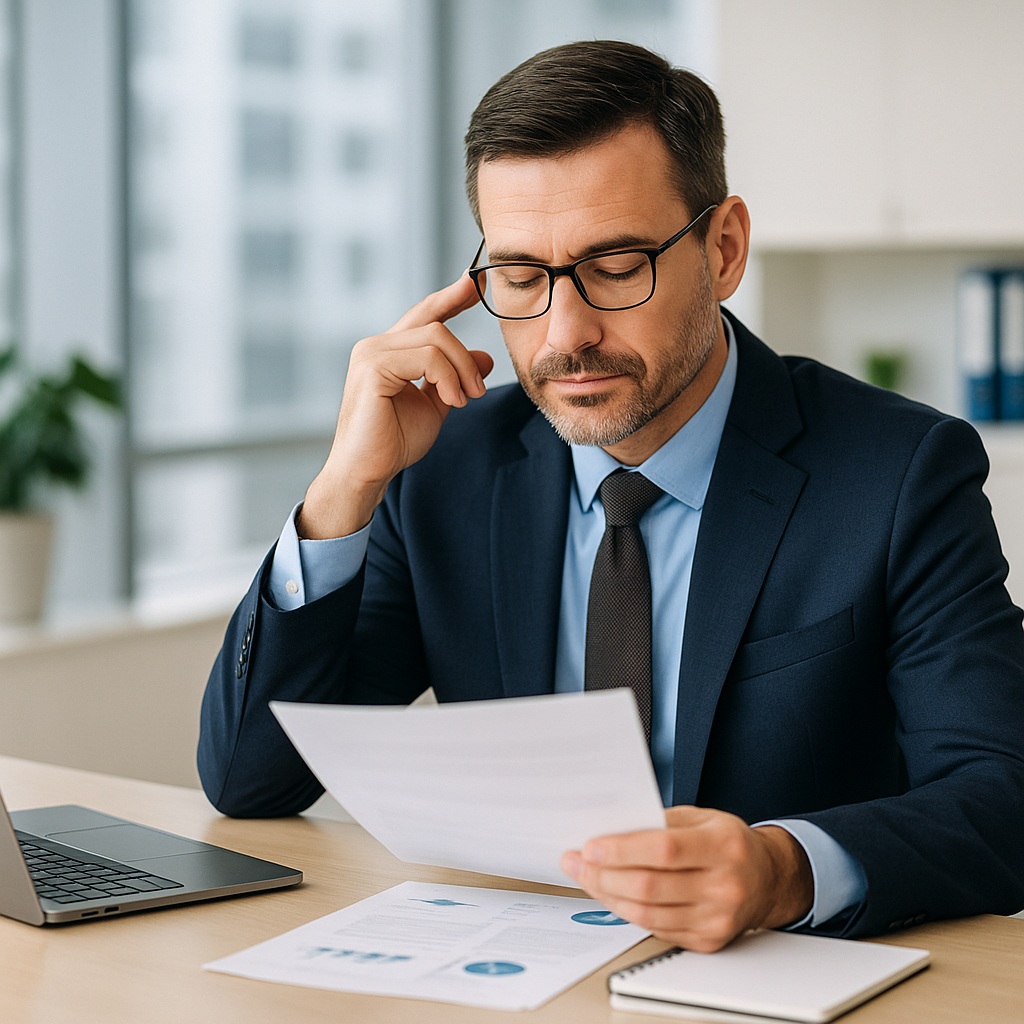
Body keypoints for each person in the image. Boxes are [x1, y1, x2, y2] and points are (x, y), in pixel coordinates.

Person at [198, 40, 1024, 952]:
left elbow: (999, 794)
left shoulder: (900, 472)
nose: (567, 333)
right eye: (521, 277)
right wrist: (343, 490)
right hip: (518, 970)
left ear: (725, 247)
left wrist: (782, 869)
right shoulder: (444, 464)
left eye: (618, 265)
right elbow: (249, 780)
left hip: (778, 977)